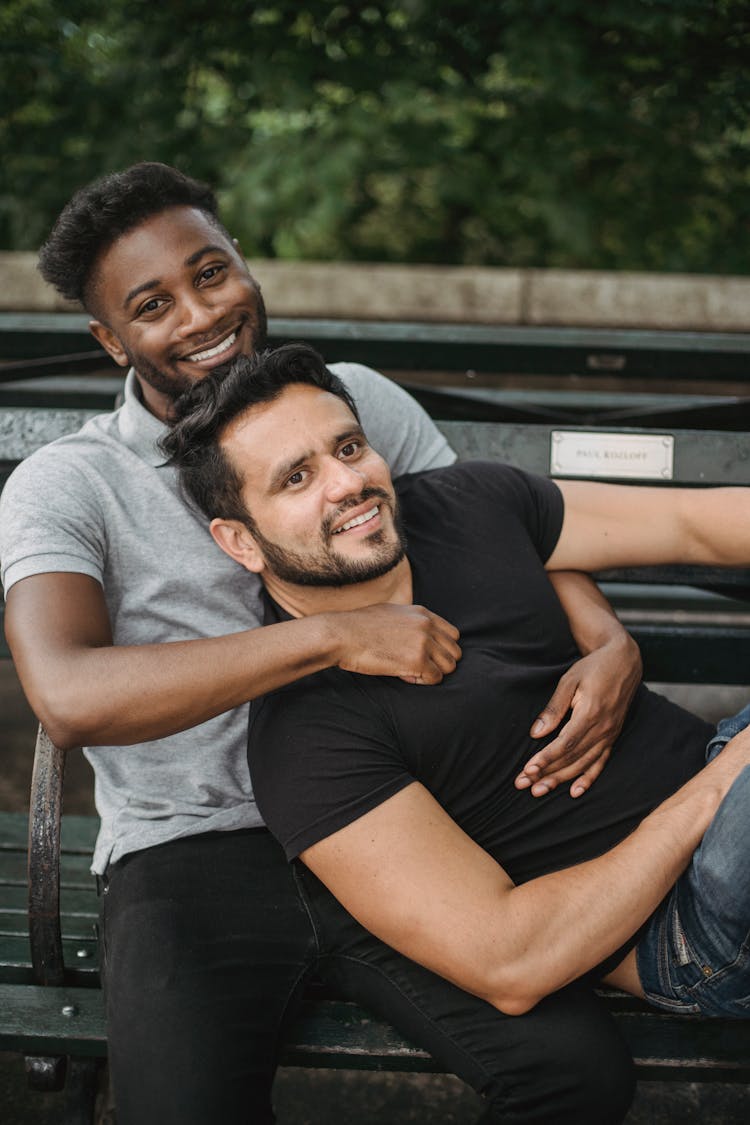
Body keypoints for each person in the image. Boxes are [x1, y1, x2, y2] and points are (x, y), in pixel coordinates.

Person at [0, 163, 640, 1124]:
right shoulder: (67, 484)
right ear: (109, 340)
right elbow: (70, 695)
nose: (199, 313)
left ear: (245, 266)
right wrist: (336, 638)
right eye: (152, 304)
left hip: (409, 821)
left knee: (576, 1076)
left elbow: (498, 528)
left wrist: (607, 639)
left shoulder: (352, 404)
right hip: (194, 855)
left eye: (211, 272)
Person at [164, 344, 750, 1119]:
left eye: (348, 447)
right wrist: (717, 788)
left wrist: (711, 749)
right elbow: (515, 957)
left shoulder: (465, 502)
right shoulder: (305, 737)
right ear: (239, 539)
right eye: (296, 478)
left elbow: (693, 525)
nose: (349, 483)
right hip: (693, 924)